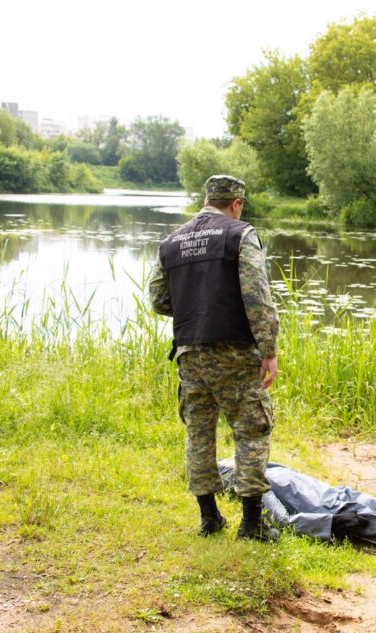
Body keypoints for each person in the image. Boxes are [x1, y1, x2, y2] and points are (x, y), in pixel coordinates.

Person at [148, 174, 279, 541]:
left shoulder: (171, 242)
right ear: (236, 204)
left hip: (190, 351)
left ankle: (209, 518)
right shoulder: (240, 234)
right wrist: (269, 349)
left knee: (199, 433)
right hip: (234, 350)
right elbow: (257, 297)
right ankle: (252, 525)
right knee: (251, 430)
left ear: (207, 200)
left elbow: (158, 300)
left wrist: (195, 305)